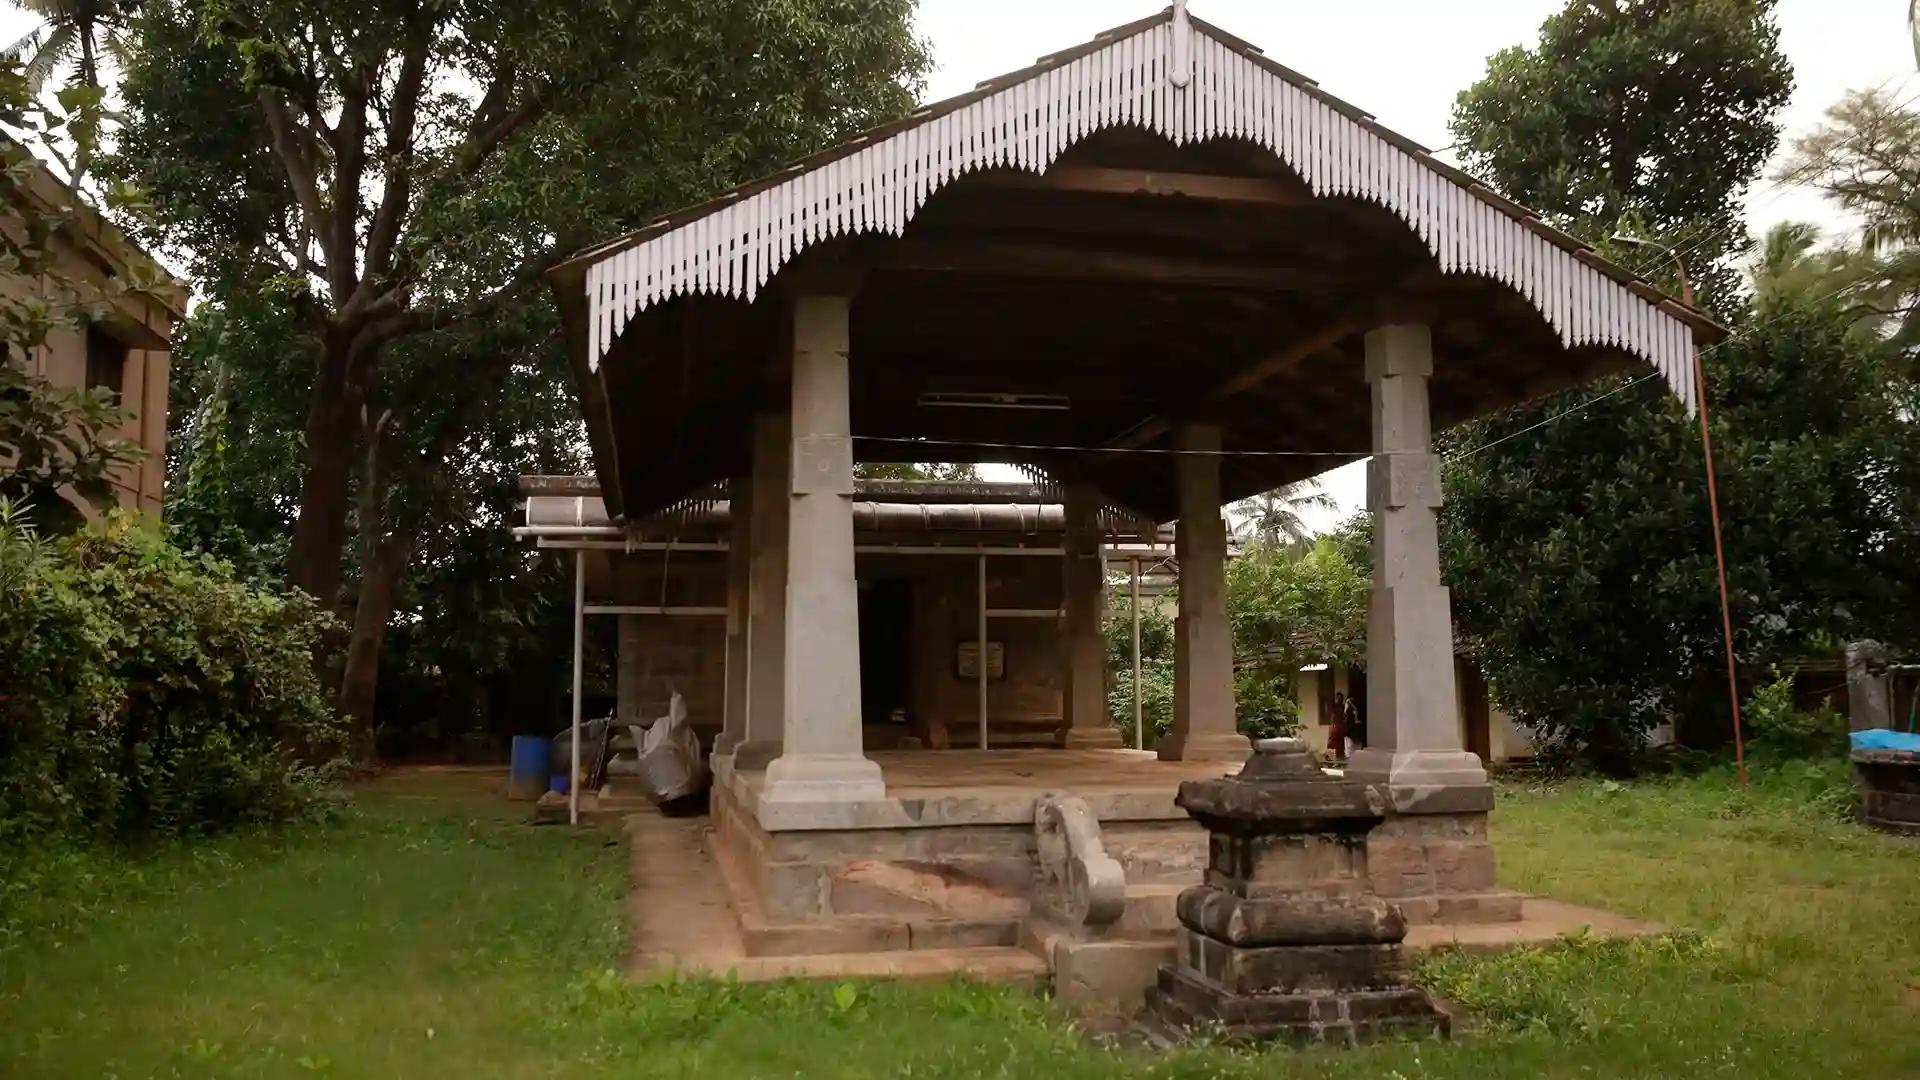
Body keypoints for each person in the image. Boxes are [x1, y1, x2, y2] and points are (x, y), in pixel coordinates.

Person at [1327, 692, 1349, 762]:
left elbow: (1345, 715)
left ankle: (1340, 757)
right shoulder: (1333, 707)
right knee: (1332, 743)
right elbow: (1332, 717)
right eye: (1338, 698)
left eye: (1341, 698)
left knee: (1341, 743)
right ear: (1336, 698)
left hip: (1341, 727)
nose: (1340, 700)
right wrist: (1332, 725)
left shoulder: (1343, 707)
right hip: (1335, 727)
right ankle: (1331, 757)